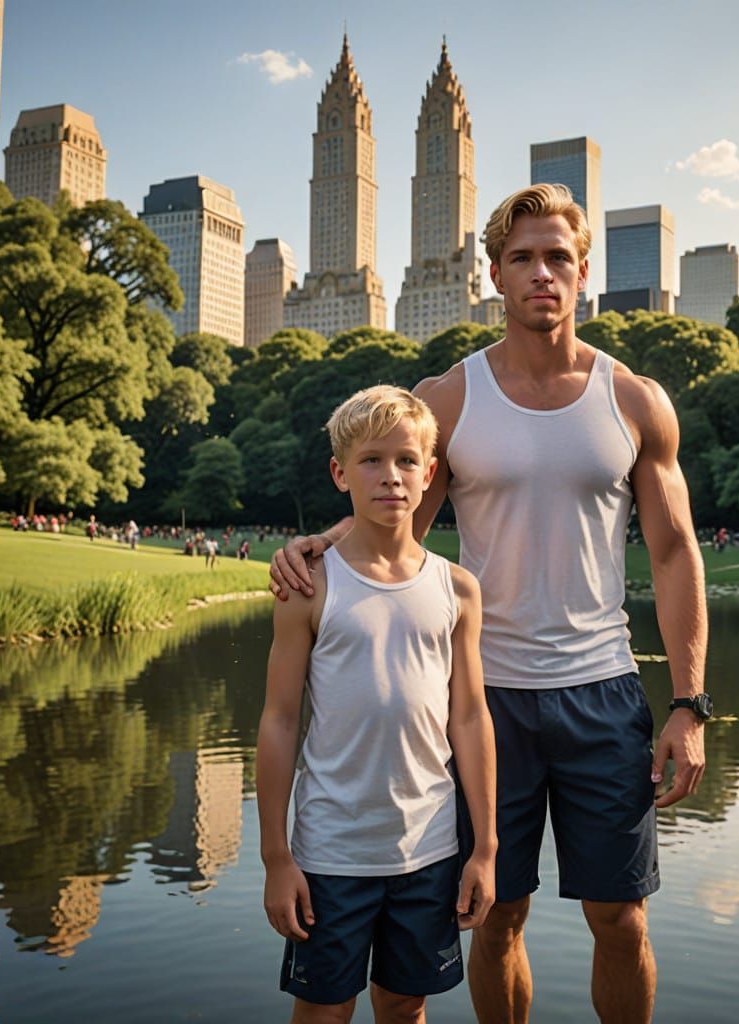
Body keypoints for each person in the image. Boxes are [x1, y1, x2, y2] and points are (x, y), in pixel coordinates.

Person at [271, 184, 709, 1024]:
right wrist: (314, 547)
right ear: (497, 276)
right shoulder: (450, 398)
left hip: (602, 693)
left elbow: (675, 552)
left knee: (618, 917)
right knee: (494, 913)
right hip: (482, 702)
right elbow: (390, 520)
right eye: (522, 258)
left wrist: (689, 704)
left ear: (583, 273)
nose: (541, 274)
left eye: (558, 258)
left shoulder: (635, 400)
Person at [258, 385, 497, 1023]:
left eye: (406, 461)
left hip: (428, 849)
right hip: (331, 851)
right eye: (370, 460)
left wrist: (485, 848)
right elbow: (280, 723)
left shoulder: (458, 590)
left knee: (403, 1006)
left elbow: (471, 718)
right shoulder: (309, 587)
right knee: (325, 1011)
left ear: (428, 475)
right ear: (340, 473)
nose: (389, 476)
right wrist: (275, 857)